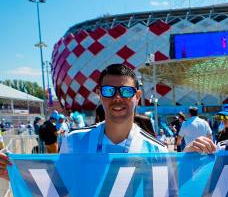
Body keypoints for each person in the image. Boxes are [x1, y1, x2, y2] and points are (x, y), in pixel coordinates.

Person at [0, 63, 169, 181]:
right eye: (109, 91)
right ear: (100, 94)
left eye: (125, 91)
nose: (117, 98)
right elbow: (58, 190)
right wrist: (14, 174)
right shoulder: (75, 141)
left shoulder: (156, 151)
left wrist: (189, 160)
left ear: (137, 96)